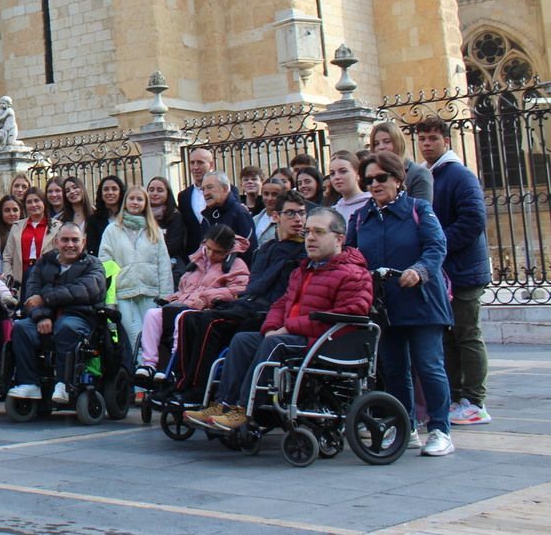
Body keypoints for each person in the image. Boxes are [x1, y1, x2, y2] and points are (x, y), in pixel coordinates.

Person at [191, 207, 373, 433]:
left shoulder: (353, 273)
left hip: (326, 342)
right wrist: (272, 326)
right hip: (296, 336)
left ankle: (244, 410)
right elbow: (282, 302)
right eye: (307, 232)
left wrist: (287, 327)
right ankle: (222, 404)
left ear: (339, 239)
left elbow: (351, 313)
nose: (310, 238)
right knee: (243, 340)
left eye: (318, 232)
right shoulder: (303, 270)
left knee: (274, 343)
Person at [348, 150, 455, 456]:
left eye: (381, 178)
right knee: (394, 368)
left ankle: (439, 429)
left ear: (397, 179)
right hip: (385, 305)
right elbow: (352, 256)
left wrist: (419, 271)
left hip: (421, 301)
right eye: (368, 180)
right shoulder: (362, 216)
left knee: (429, 365)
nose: (374, 185)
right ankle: (404, 425)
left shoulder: (418, 209)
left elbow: (436, 247)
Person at [172, 194, 307, 401]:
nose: (297, 219)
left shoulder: (303, 252)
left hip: (267, 310)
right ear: (276, 217)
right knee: (188, 318)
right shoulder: (267, 248)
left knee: (211, 322)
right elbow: (255, 284)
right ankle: (181, 383)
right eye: (290, 213)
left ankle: (198, 391)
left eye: (301, 213)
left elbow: (264, 287)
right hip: (250, 303)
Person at [415, 115, 491, 427]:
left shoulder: (459, 175)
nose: (426, 144)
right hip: (444, 272)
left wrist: (439, 245)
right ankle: (457, 396)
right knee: (449, 336)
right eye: (422, 139)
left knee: (467, 334)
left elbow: (474, 220)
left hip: (464, 271)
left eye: (433, 138)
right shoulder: (431, 176)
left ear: (446, 140)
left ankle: (474, 401)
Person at [6, 223, 107, 405]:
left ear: (83, 242)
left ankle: (63, 383)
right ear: (56, 242)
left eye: (75, 240)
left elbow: (85, 290)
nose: (70, 244)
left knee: (66, 327)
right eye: (65, 240)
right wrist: (41, 316)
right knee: (21, 328)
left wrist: (45, 299)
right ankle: (29, 383)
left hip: (79, 317)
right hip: (46, 317)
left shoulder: (94, 265)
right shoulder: (43, 263)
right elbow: (31, 294)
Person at [134, 224, 250, 381]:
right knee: (153, 314)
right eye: (208, 248)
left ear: (228, 251)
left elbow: (238, 290)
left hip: (205, 311)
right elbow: (183, 287)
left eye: (218, 252)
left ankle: (174, 366)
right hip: (184, 304)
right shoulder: (197, 261)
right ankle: (149, 364)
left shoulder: (236, 265)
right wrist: (173, 299)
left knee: (181, 318)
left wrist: (206, 297)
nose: (211, 254)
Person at [97, 185, 173, 351]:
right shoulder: (112, 230)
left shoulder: (154, 230)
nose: (135, 202)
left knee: (151, 336)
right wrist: (110, 295)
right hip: (124, 291)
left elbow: (163, 263)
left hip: (150, 291)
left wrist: (166, 295)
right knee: (134, 336)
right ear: (125, 202)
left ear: (146, 203)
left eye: (140, 199)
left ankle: (148, 369)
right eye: (132, 198)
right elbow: (105, 262)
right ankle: (138, 370)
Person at [370, 121, 433, 202]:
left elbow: (420, 211)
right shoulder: (371, 175)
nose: (381, 147)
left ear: (398, 143)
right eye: (376, 143)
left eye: (387, 141)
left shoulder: (418, 173)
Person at [0, 189, 52, 289]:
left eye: (37, 200)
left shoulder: (56, 227)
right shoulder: (17, 226)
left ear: (44, 202)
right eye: (29, 202)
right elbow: (7, 257)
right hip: (21, 277)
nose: (33, 204)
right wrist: (9, 276)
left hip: (46, 277)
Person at [197, 171, 255, 245]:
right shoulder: (207, 216)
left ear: (225, 188)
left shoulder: (239, 213)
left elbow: (248, 247)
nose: (205, 193)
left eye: (210, 187)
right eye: (203, 189)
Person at [146, 176, 188, 275]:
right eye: (151, 190)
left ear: (167, 194)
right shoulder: (140, 215)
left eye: (160, 190)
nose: (154, 193)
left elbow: (173, 245)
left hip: (170, 261)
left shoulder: (175, 216)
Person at [327, 151, 371, 227]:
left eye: (343, 171)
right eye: (332, 173)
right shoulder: (333, 210)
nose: (337, 177)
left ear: (358, 174)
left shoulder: (371, 204)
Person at [88, 175, 125, 253]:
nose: (110, 192)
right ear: (101, 193)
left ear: (120, 192)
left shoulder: (128, 216)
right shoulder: (93, 220)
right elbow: (93, 249)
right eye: (106, 189)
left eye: (114, 189)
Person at [0, 195, 23, 277]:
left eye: (15, 210)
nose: (12, 213)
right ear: (1, 213)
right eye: (7, 210)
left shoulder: (27, 232)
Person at [252, 178, 286, 246]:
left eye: (274, 194)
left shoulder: (286, 221)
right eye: (266, 194)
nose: (269, 198)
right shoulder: (255, 219)